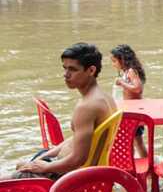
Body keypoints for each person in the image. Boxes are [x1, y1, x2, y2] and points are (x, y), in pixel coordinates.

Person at [14, 44, 116, 179]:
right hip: (67, 167)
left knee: (6, 182)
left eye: (72, 69)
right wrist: (47, 155)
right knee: (21, 164)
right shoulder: (105, 97)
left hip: (69, 177)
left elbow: (78, 159)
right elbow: (78, 139)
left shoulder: (87, 106)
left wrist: (46, 166)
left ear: (91, 70)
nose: (66, 75)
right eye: (65, 68)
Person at [111, 44, 148, 157]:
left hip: (134, 112)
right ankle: (140, 161)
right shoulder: (128, 72)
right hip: (131, 109)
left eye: (114, 61)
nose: (113, 64)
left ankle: (134, 164)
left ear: (122, 60)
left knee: (133, 141)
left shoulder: (131, 71)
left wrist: (122, 83)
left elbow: (137, 89)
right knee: (136, 141)